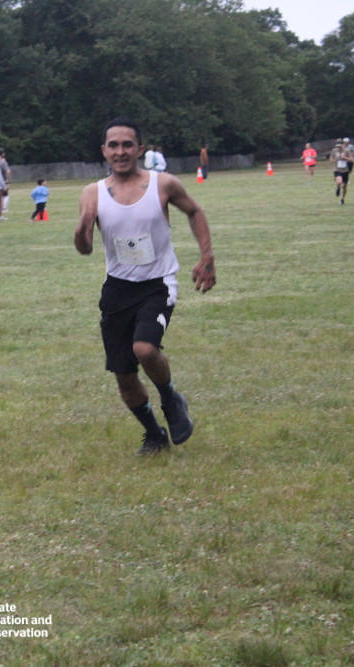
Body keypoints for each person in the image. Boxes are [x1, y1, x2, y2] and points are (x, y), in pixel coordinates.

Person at [74, 117, 215, 456]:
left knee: (145, 349)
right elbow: (85, 248)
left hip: (157, 283)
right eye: (113, 145)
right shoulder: (92, 193)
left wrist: (207, 256)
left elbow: (194, 211)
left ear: (139, 149)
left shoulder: (162, 184)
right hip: (117, 289)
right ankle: (154, 434)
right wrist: (83, 225)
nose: (120, 151)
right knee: (124, 375)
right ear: (104, 151)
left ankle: (170, 398)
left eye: (127, 145)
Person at [330, 140, 352, 204]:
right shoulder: (334, 151)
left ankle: (342, 199)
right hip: (337, 169)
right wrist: (332, 160)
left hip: (345, 170)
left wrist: (345, 157)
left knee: (344, 186)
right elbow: (331, 158)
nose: (339, 148)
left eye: (340, 146)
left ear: (343, 145)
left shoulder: (347, 151)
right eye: (337, 146)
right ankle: (338, 188)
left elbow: (351, 160)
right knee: (339, 181)